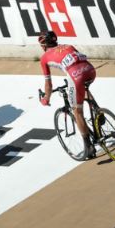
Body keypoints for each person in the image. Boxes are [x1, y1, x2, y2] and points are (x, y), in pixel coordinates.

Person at [37, 30, 97, 160]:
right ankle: (97, 112)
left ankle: (89, 147)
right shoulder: (68, 46)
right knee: (83, 89)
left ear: (43, 46)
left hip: (76, 75)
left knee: (77, 111)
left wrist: (46, 98)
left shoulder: (44, 58)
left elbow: (49, 84)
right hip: (90, 70)